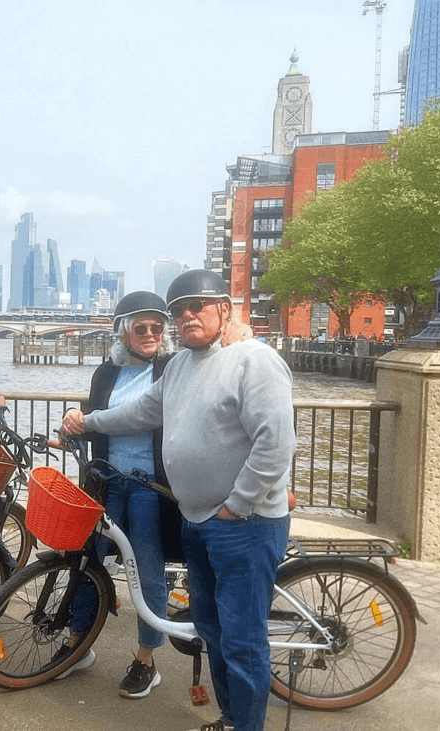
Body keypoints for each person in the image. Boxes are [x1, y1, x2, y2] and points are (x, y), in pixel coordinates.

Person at [60, 270, 294, 731]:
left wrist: (238, 504)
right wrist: (88, 422)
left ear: (224, 310)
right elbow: (141, 412)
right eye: (179, 310)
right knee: (213, 629)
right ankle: (230, 718)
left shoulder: (254, 360)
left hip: (243, 523)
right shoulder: (183, 366)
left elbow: (275, 442)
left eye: (198, 306)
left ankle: (246, 726)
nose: (186, 316)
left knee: (243, 639)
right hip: (197, 520)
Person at [60, 291, 176, 698]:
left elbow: (149, 418)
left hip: (148, 485)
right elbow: (97, 422)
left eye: (156, 327)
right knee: (85, 560)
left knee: (146, 569)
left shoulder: (171, 369)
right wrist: (72, 426)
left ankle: (147, 659)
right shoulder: (106, 373)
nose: (149, 334)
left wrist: (92, 421)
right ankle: (79, 643)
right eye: (140, 327)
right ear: (123, 332)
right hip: (108, 481)